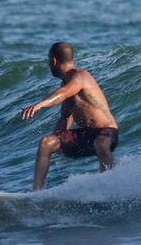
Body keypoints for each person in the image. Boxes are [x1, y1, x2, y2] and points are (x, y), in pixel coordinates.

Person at [20, 42, 119, 190]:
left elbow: (64, 93)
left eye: (49, 60)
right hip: (86, 137)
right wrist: (55, 142)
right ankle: (36, 193)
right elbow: (65, 117)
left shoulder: (80, 77)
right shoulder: (66, 84)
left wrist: (40, 104)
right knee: (46, 142)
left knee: (101, 143)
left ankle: (110, 189)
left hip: (107, 133)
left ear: (53, 61)